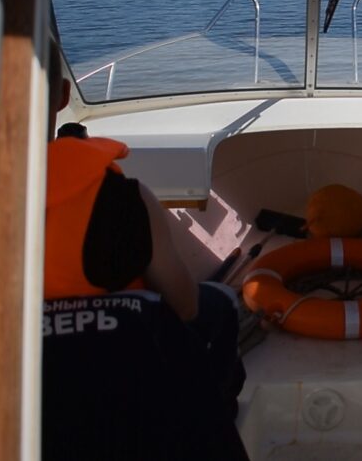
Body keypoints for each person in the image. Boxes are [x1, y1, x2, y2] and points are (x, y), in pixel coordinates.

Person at [42, 36, 248, 459]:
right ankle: (216, 415)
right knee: (221, 305)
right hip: (122, 370)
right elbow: (186, 307)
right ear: (63, 96)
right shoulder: (124, 196)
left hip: (29, 383)